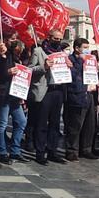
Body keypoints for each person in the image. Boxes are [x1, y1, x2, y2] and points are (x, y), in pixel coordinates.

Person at [34, 30, 71, 164]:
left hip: (59, 89)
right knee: (42, 123)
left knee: (55, 123)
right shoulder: (39, 51)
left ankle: (52, 151)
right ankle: (40, 152)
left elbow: (69, 68)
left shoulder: (62, 53)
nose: (58, 41)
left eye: (60, 39)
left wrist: (69, 66)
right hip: (46, 91)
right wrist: (43, 67)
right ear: (49, 38)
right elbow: (31, 69)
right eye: (56, 38)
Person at [63, 38, 98, 161]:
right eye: (85, 47)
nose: (87, 50)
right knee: (75, 125)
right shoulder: (71, 60)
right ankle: (72, 150)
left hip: (89, 95)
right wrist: (81, 62)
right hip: (76, 96)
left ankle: (86, 149)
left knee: (90, 125)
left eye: (88, 47)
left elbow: (96, 75)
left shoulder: (90, 60)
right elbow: (72, 76)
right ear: (77, 48)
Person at [0, 40, 28, 163]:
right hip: (4, 94)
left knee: (21, 121)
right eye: (20, 48)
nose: (21, 50)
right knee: (2, 124)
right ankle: (2, 151)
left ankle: (15, 150)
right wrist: (7, 71)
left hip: (15, 95)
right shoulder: (4, 57)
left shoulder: (18, 58)